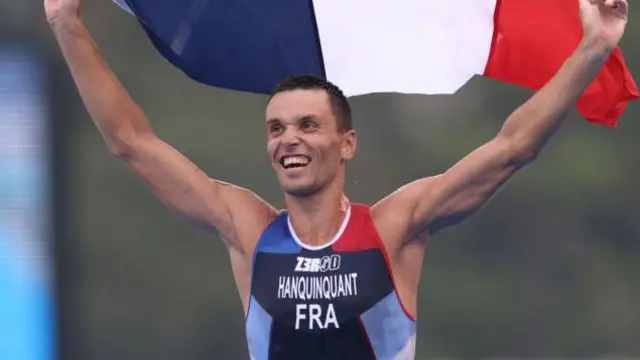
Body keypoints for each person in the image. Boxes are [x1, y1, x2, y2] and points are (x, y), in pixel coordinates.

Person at [45, 0, 629, 359]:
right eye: (275, 129)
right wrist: (65, 22)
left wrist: (593, 48)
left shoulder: (395, 228)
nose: (287, 139)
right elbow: (132, 142)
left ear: (346, 143)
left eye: (305, 125)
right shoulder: (248, 231)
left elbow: (511, 148)